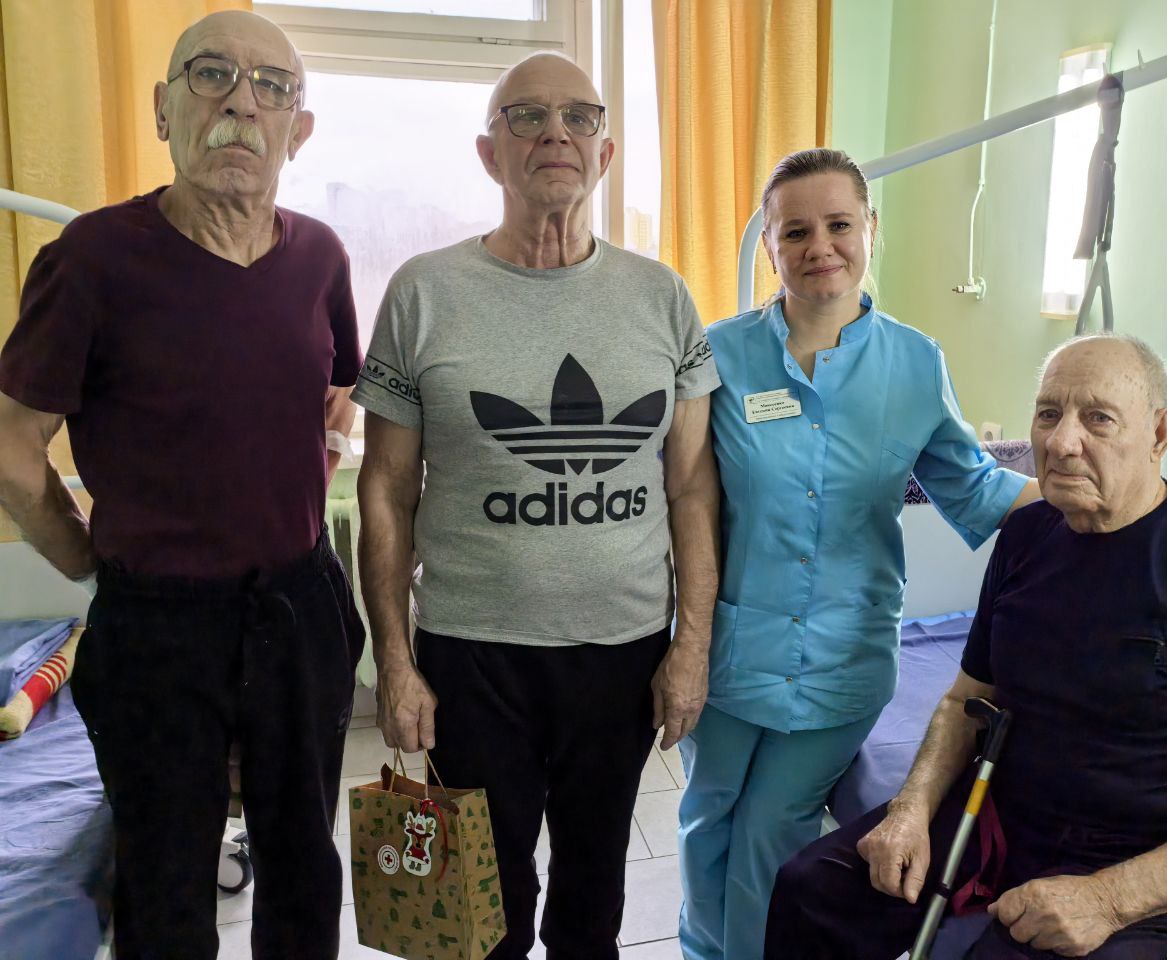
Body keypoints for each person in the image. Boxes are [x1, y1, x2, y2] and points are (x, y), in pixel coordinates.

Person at [0, 10, 364, 958]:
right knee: (164, 889)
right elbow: (11, 446)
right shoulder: (92, 259)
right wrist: (90, 562)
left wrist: (305, 486)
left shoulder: (320, 256)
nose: (242, 103)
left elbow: (337, 393)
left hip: (299, 608)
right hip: (156, 627)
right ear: (164, 110)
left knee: (304, 866)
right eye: (212, 76)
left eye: (272, 87)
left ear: (298, 129)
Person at [352, 51, 721, 960]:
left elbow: (690, 487)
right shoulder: (423, 292)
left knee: (594, 889)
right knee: (486, 901)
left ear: (604, 152)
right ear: (490, 153)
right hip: (473, 653)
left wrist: (691, 647)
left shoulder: (663, 297)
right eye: (527, 116)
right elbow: (386, 488)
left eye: (579, 117)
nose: (556, 132)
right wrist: (394, 661)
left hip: (624, 651)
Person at [765, 334, 1167, 959]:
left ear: (1159, 433)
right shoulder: (1028, 535)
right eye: (1048, 413)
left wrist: (1107, 899)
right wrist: (910, 809)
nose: (1061, 443)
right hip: (1007, 816)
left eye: (1098, 418)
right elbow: (965, 702)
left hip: (1156, 854)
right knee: (811, 889)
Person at [676, 147, 1039, 960]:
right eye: (794, 231)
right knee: (708, 816)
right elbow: (683, 499)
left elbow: (973, 487)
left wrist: (1091, 496)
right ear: (769, 245)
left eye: (839, 224)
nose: (820, 247)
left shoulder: (913, 363)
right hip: (732, 649)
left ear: (871, 228)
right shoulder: (717, 355)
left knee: (772, 829)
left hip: (844, 655)